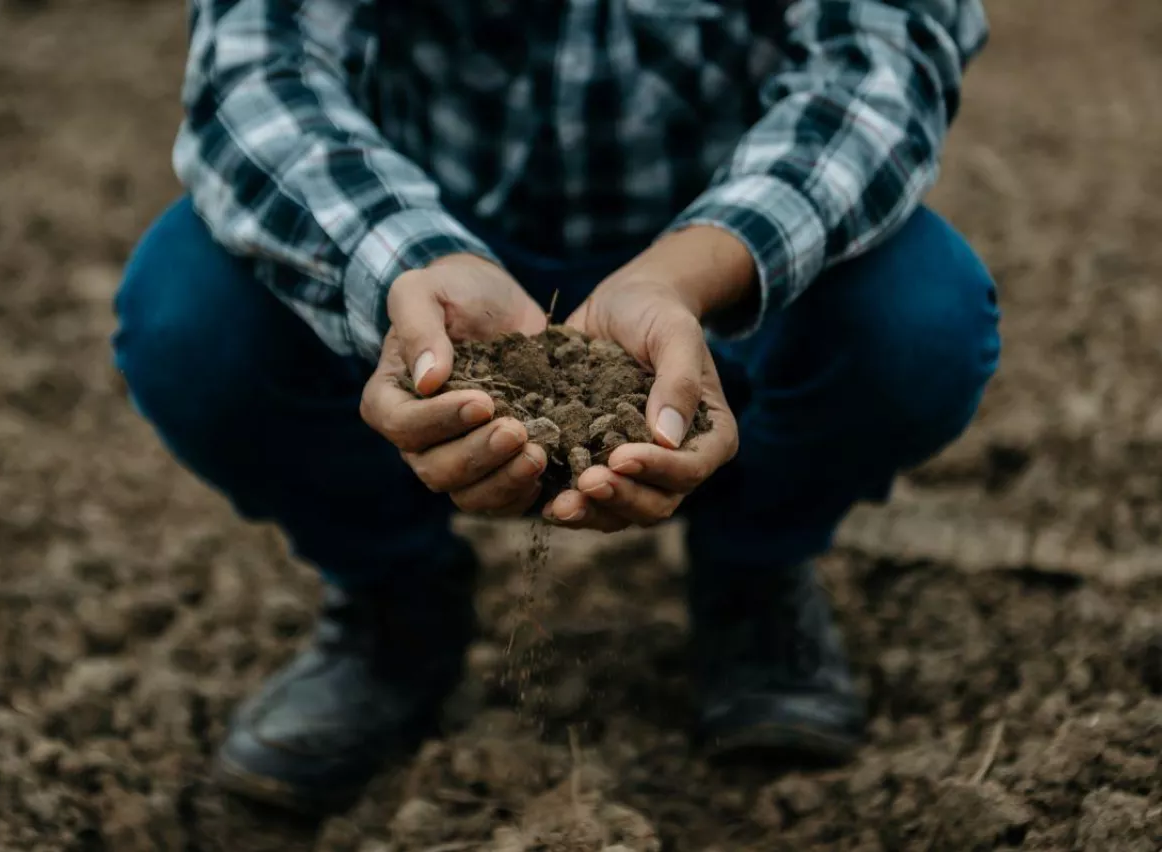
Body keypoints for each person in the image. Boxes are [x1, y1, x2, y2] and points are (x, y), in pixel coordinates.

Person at [113, 0, 999, 811]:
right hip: (431, 228)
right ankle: (393, 603)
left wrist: (682, 275)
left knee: (921, 320)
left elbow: (878, 66)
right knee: (187, 314)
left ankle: (754, 573)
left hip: (717, 244)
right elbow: (257, 69)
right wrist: (414, 268)